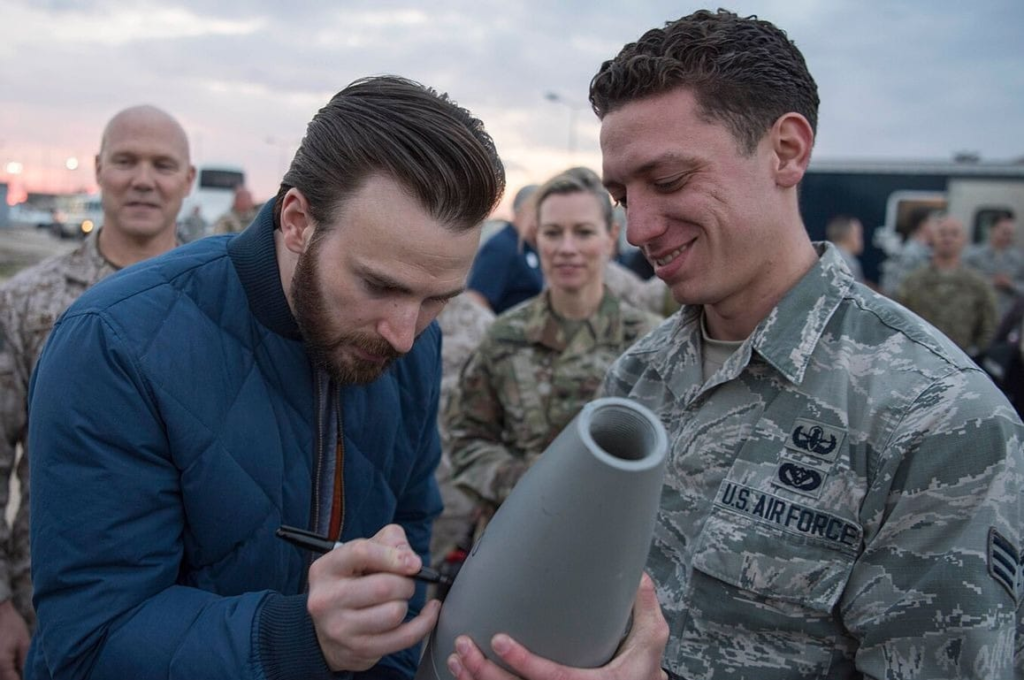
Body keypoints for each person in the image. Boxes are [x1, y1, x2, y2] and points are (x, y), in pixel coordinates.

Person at [448, 9, 1024, 680]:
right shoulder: (639, 375)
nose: (637, 229)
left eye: (669, 181)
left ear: (786, 151)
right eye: (622, 195)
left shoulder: (939, 420)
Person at [24, 76, 513, 680]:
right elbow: (91, 641)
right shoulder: (115, 343)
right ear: (298, 221)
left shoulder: (413, 344)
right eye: (378, 285)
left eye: (436, 298)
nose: (404, 334)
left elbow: (406, 533)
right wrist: (297, 640)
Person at [0, 104, 195, 680]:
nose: (143, 180)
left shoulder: (222, 300)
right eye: (126, 161)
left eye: (163, 165)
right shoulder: (26, 301)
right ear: (98, 169)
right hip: (48, 603)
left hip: (192, 609)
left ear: (188, 179)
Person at [447, 171, 661, 535]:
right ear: (536, 238)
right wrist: (529, 482)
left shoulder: (649, 342)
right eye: (552, 233)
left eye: (583, 232)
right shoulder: (504, 337)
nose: (566, 248)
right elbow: (466, 438)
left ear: (611, 237)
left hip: (611, 538)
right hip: (516, 534)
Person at [898, 214, 999, 358]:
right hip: (920, 358)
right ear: (932, 238)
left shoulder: (978, 284)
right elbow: (900, 319)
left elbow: (990, 326)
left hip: (963, 359)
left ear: (964, 240)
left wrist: (974, 355)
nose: (948, 238)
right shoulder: (913, 281)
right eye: (942, 233)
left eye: (954, 234)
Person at [465, 184, 543, 314]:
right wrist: (497, 326)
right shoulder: (502, 247)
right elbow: (476, 298)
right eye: (537, 210)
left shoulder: (529, 247)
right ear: (521, 209)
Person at [964, 212, 1024, 321]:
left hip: (1008, 316)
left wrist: (1011, 284)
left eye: (1011, 234)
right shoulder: (973, 256)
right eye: (1005, 233)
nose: (1008, 237)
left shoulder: (1019, 259)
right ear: (992, 230)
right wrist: (991, 282)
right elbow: (965, 282)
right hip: (978, 313)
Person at [878, 206, 936, 296]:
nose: (937, 227)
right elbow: (900, 285)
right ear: (923, 225)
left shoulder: (925, 251)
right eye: (934, 222)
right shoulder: (910, 252)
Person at [824, 213, 866, 284]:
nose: (862, 241)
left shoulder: (824, 256)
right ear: (849, 237)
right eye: (859, 235)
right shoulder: (848, 263)